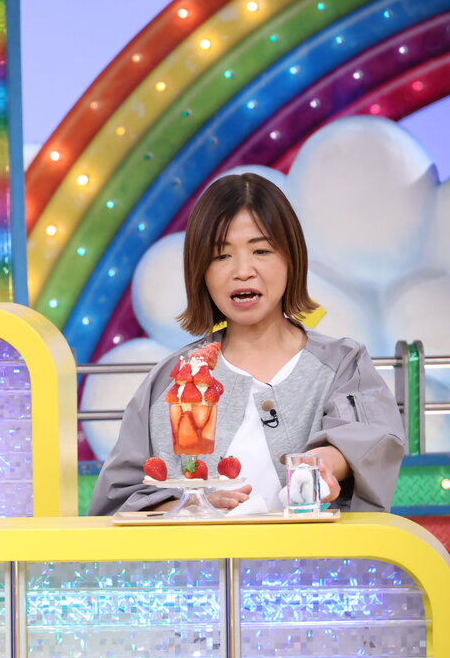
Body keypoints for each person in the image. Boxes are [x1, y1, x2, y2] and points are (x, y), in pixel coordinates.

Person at [90, 173, 405, 516]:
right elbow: (117, 501)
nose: (242, 271)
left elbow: (373, 438)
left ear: (291, 259)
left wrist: (325, 463)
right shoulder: (171, 380)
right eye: (221, 256)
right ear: (200, 271)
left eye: (261, 250)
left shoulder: (343, 364)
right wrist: (190, 506)